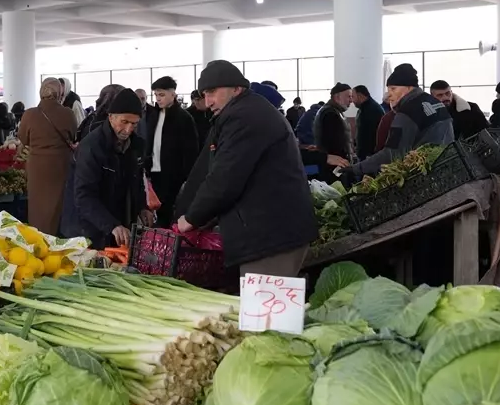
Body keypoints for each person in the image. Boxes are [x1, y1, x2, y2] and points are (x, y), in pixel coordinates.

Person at [176, 60, 316, 278]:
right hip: (271, 232)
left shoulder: (244, 117)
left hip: (271, 238)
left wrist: (191, 218)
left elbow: (224, 178)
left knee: (263, 299)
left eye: (212, 92)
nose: (208, 101)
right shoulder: (244, 111)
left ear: (236, 88)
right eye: (204, 95)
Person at [345, 63, 453, 182]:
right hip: (447, 170)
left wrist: (356, 168)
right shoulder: (436, 103)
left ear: (409, 88)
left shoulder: (407, 112)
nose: (389, 94)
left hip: (422, 177)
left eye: (393, 89)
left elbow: (392, 154)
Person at [72, 88, 152, 248]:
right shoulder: (92, 146)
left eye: (134, 124)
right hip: (92, 228)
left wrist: (142, 207)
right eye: (124, 122)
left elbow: (137, 182)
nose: (128, 129)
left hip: (121, 224)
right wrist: (111, 225)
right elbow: (84, 195)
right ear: (111, 117)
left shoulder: (137, 145)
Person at [18, 79, 76, 234]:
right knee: (59, 204)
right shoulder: (68, 113)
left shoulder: (29, 114)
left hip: (37, 167)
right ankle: (59, 237)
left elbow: (23, 139)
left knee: (38, 206)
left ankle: (39, 237)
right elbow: (73, 135)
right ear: (60, 93)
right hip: (61, 165)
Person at [145, 76, 199, 226]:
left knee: (168, 214)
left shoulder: (184, 118)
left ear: (173, 94)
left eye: (161, 95)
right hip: (153, 172)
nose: (158, 98)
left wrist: (186, 177)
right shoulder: (153, 116)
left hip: (173, 176)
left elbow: (190, 151)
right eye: (156, 95)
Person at [315, 83, 354, 182]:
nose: (351, 100)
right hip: (334, 166)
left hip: (334, 164)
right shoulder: (330, 114)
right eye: (348, 97)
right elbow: (335, 143)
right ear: (337, 97)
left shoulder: (334, 111)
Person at [351, 85, 385, 161]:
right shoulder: (364, 108)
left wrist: (368, 154)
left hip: (369, 155)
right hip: (365, 154)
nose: (351, 100)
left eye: (353, 97)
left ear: (360, 96)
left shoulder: (372, 110)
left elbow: (370, 135)